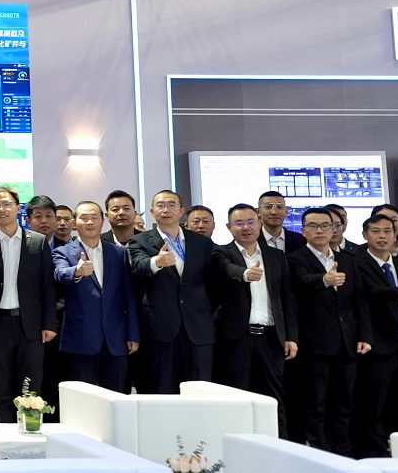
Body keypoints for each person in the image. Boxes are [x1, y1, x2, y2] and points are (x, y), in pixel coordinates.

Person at [0, 186, 57, 422]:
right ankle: (3, 438)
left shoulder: (38, 241)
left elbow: (47, 285)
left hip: (30, 326)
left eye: (6, 204)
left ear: (18, 208)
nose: (2, 209)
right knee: (0, 389)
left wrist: (49, 323)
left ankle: (30, 435)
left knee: (30, 390)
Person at [210, 204, 297, 434]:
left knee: (273, 399)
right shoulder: (221, 253)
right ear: (229, 227)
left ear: (259, 223)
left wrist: (290, 336)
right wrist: (245, 274)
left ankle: (278, 446)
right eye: (239, 223)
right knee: (237, 397)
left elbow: (286, 298)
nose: (245, 228)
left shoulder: (276, 256)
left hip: (271, 339)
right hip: (237, 340)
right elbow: (226, 269)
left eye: (250, 222)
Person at [346, 214, 398, 458]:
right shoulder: (356, 263)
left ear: (396, 235)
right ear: (364, 235)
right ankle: (373, 451)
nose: (382, 236)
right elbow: (370, 291)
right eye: (376, 231)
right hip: (376, 344)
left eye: (387, 231)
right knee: (373, 402)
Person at [287, 208, 362, 456]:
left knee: (344, 403)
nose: (319, 231)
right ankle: (319, 453)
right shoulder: (295, 259)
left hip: (347, 343)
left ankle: (342, 452)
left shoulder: (348, 259)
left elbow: (359, 301)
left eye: (325, 226)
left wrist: (364, 336)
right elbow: (301, 281)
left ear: (334, 229)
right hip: (314, 344)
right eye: (313, 226)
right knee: (315, 404)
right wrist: (324, 280)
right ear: (303, 231)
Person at [128, 190, 217, 394]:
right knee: (161, 388)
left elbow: (212, 283)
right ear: (152, 211)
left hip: (197, 327)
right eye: (160, 205)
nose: (166, 209)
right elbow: (139, 266)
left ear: (182, 211)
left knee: (200, 390)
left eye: (171, 205)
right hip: (160, 327)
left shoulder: (201, 242)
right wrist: (156, 262)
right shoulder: (140, 241)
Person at [51, 201, 139, 393]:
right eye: (84, 218)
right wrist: (77, 271)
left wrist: (133, 333)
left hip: (116, 339)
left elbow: (129, 296)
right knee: (82, 398)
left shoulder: (119, 253)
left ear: (102, 221)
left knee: (116, 396)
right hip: (80, 338)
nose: (89, 222)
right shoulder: (62, 252)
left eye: (94, 217)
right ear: (74, 223)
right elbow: (59, 273)